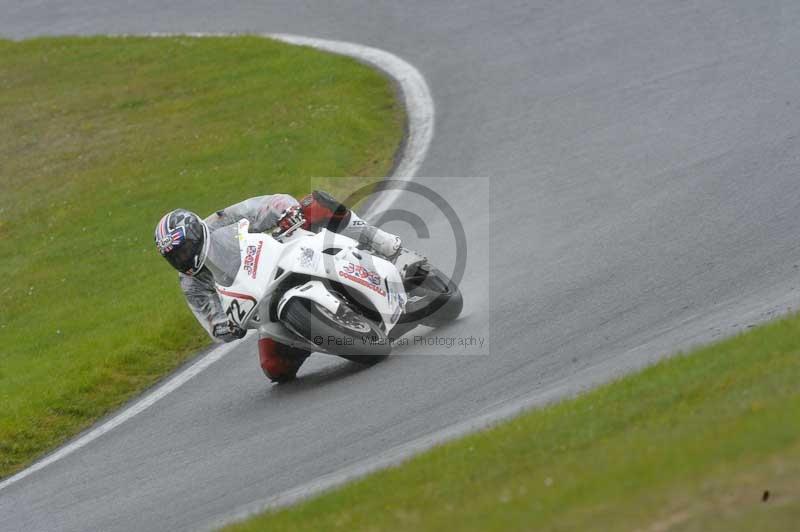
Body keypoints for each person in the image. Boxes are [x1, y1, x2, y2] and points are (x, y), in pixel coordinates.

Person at [154, 190, 402, 382]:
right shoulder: (190, 282)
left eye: (185, 249)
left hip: (283, 253)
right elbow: (212, 321)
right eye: (175, 256)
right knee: (275, 368)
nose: (183, 258)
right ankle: (322, 332)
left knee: (314, 204)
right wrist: (226, 326)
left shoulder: (221, 221)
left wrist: (287, 212)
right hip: (262, 300)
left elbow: (268, 203)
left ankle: (378, 240)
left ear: (198, 233)